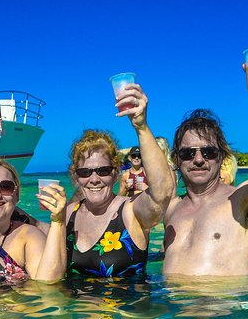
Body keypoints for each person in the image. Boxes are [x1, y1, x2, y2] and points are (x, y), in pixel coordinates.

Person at [162, 51, 248, 277]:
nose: (199, 159)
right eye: (188, 153)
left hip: (227, 308)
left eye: (209, 151)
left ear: (221, 157)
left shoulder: (241, 200)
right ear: (176, 160)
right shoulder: (171, 209)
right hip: (173, 309)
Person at [63, 83, 173, 277]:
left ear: (115, 174)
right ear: (76, 177)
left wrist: (141, 127)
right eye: (85, 172)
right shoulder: (66, 216)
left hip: (129, 308)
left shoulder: (131, 212)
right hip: (77, 308)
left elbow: (161, 193)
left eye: (103, 171)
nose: (94, 179)